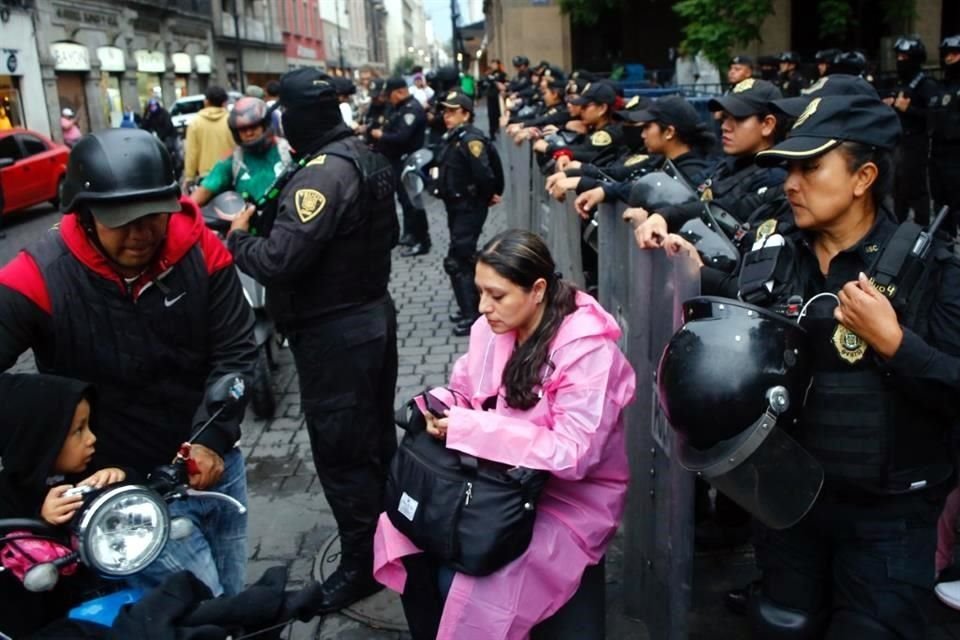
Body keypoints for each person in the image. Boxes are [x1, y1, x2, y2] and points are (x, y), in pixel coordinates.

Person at [735, 94, 960, 638]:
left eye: (810, 167)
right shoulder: (774, 256)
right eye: (788, 167)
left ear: (863, 177)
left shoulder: (931, 269)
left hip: (888, 521)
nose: (792, 183)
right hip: (787, 509)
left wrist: (896, 344)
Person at [0, 128, 257, 597]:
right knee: (198, 608)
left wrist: (213, 439)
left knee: (233, 597)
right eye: (121, 220)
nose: (140, 235)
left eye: (152, 217)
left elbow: (236, 350)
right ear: (84, 213)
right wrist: (40, 449)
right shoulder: (37, 275)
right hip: (123, 492)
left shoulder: (201, 248)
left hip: (215, 466)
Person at [373, 229, 636, 640]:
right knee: (400, 527)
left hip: (565, 500)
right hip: (497, 482)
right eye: (480, 292)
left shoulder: (588, 352)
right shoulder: (491, 329)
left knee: (476, 585)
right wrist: (437, 405)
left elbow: (574, 454)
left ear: (538, 290)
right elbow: (465, 390)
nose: (483, 307)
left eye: (496, 295)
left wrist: (472, 429)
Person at [226, 68, 398, 615]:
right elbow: (389, 232)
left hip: (335, 334)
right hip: (371, 319)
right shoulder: (361, 155)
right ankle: (390, 540)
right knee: (373, 440)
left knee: (344, 450)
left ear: (297, 117)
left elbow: (279, 260)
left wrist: (237, 242)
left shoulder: (322, 175)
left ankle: (360, 566)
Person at [0, 373, 128, 637]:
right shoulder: (8, 494)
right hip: (41, 620)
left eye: (89, 426)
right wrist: (41, 521)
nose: (91, 438)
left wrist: (118, 479)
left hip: (103, 598)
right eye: (78, 431)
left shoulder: (89, 471)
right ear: (41, 440)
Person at [631, 78, 785, 251]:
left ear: (767, 124)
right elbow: (682, 186)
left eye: (738, 118)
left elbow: (727, 207)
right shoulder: (727, 166)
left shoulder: (776, 176)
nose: (725, 126)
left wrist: (665, 216)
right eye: (725, 117)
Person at [433, 90, 504, 337]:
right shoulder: (456, 136)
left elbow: (484, 173)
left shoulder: (471, 139)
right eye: (445, 111)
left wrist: (488, 195)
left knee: (458, 260)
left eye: (452, 111)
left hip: (468, 207)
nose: (446, 115)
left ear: (466, 113)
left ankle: (472, 315)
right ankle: (471, 308)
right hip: (456, 206)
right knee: (463, 257)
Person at [190, 96, 293, 207]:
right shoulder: (233, 159)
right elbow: (204, 191)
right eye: (243, 129)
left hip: (288, 220)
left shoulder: (287, 150)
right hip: (250, 220)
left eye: (253, 127)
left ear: (264, 125)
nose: (249, 133)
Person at [370, 77, 430, 256]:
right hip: (399, 162)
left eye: (390, 95)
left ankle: (423, 240)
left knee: (414, 202)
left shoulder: (411, 109)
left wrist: (381, 135)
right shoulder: (400, 108)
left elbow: (402, 136)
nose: (389, 99)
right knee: (405, 201)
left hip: (410, 162)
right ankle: (411, 234)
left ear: (400, 92)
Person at [884, 36, 939, 226]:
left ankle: (923, 229)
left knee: (917, 190)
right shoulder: (901, 83)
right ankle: (896, 227)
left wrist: (909, 110)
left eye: (904, 57)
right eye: (898, 56)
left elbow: (934, 117)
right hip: (897, 144)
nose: (900, 60)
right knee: (899, 190)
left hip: (915, 144)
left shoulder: (926, 84)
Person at [930, 35, 960, 237]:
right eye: (946, 54)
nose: (949, 59)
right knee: (941, 203)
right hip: (938, 153)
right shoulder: (941, 86)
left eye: (954, 54)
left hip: (957, 155)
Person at [183, 85, 236, 188]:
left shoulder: (195, 123)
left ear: (206, 102)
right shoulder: (232, 120)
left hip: (206, 178)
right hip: (230, 174)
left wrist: (189, 177)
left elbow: (191, 153)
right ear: (224, 103)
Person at [142, 98, 181, 178]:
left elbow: (168, 126)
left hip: (169, 136)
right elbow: (144, 126)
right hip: (158, 138)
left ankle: (178, 167)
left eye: (154, 106)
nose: (153, 108)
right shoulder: (150, 115)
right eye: (151, 107)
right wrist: (146, 115)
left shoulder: (164, 113)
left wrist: (161, 135)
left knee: (174, 152)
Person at [483, 59, 508, 140]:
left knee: (499, 113)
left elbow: (504, 83)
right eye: (492, 64)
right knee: (491, 115)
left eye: (495, 64)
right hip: (491, 96)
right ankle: (492, 132)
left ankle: (499, 129)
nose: (493, 66)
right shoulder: (489, 74)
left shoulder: (502, 74)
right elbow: (485, 82)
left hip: (498, 97)